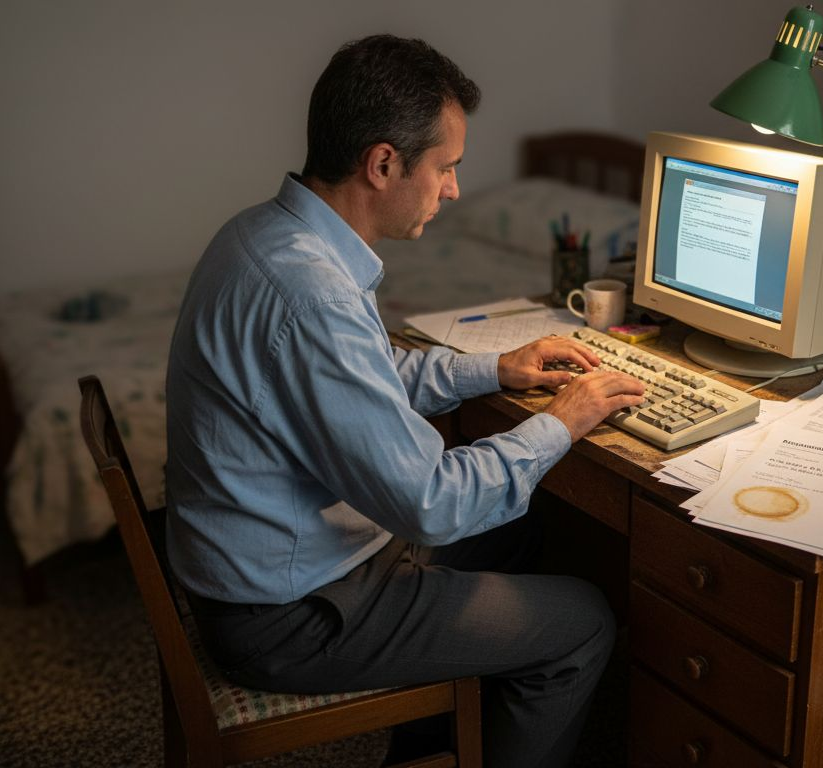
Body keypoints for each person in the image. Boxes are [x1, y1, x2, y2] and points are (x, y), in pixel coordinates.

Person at [164, 35, 645, 768]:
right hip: (288, 616)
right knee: (583, 621)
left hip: (263, 567)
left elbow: (366, 378)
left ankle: (435, 742)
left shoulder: (263, 235)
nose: (453, 188)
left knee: (520, 535)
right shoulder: (312, 293)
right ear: (383, 163)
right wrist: (560, 421)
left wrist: (494, 369)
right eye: (446, 167)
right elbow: (431, 502)